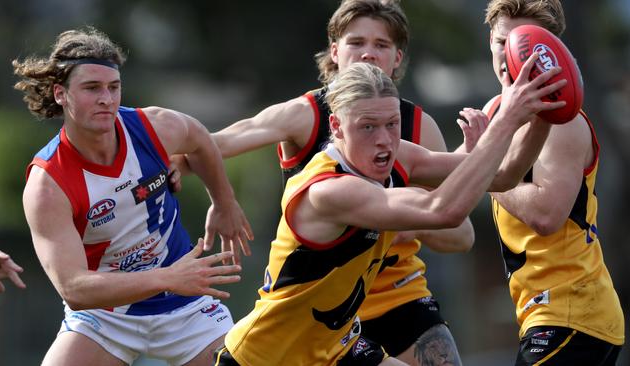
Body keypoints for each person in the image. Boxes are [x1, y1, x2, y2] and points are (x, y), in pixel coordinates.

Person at [215, 59, 567, 365]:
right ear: (336, 127)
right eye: (367, 127)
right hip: (269, 356)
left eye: (392, 124)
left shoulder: (399, 156)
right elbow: (442, 210)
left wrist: (544, 114)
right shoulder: (327, 191)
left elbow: (502, 175)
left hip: (335, 348)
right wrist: (507, 118)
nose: (384, 139)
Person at [206, 1, 474, 363]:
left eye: (381, 45)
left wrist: (398, 216)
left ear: (397, 57)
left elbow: (460, 233)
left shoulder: (415, 129)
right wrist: (219, 197)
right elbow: (211, 144)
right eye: (356, 43)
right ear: (335, 51)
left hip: (395, 293)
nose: (368, 54)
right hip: (321, 303)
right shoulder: (305, 116)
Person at [14, 26, 253, 366]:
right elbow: (75, 289)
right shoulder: (47, 185)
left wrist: (223, 201)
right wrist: (167, 278)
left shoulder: (153, 128)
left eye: (114, 87)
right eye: (92, 88)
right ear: (60, 94)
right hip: (106, 317)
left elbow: (199, 138)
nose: (107, 99)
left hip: (186, 307)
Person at [472, 0, 625, 364]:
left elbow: (546, 214)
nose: (512, 57)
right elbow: (454, 183)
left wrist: (480, 171)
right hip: (542, 315)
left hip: (574, 313)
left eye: (525, 46)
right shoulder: (495, 112)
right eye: (502, 43)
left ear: (550, 50)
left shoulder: (562, 121)